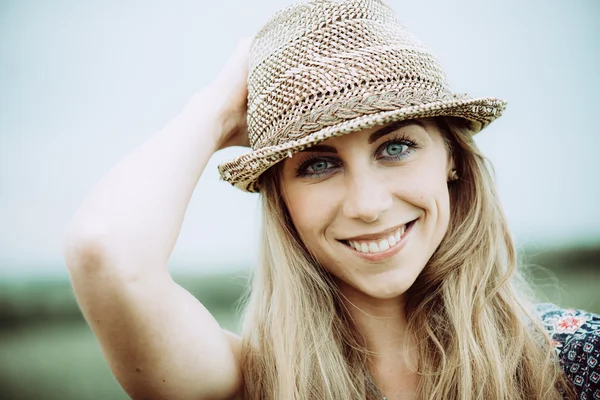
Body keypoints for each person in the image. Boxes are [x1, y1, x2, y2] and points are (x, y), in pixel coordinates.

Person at [63, 0, 600, 399]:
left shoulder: (575, 360)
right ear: (283, 201)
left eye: (396, 147)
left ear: (452, 160)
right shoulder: (252, 385)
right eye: (318, 164)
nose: (366, 204)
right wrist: (218, 109)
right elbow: (105, 253)